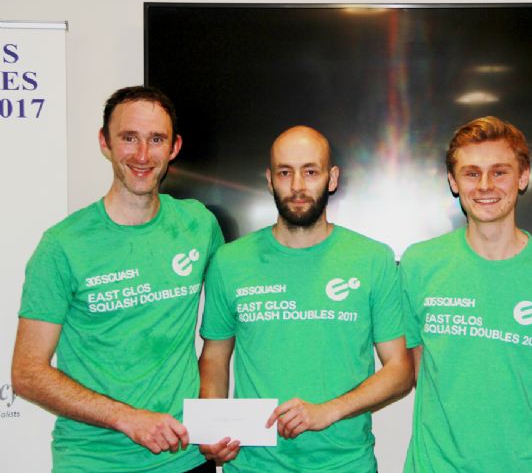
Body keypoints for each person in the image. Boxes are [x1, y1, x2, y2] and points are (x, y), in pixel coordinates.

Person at [11, 86, 224, 472]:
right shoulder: (62, 245)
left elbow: (228, 324)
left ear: (174, 147)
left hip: (187, 459)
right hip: (94, 462)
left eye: (156, 139)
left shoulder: (199, 225)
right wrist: (127, 418)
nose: (142, 155)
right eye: (129, 138)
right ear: (104, 142)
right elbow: (27, 373)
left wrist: (217, 421)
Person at [198, 125, 413, 472]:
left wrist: (327, 411)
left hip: (345, 464)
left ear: (331, 178)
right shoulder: (230, 261)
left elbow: (401, 370)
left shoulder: (373, 259)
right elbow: (214, 358)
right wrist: (210, 428)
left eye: (310, 172)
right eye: (285, 172)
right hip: (254, 465)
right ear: (270, 180)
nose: (298, 186)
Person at [401, 116, 532, 472]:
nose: (485, 185)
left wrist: (522, 445)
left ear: (523, 177)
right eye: (472, 173)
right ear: (453, 182)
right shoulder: (418, 264)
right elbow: (419, 369)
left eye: (500, 172)